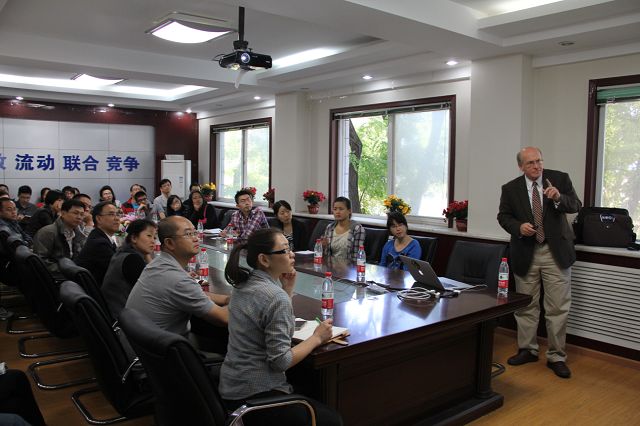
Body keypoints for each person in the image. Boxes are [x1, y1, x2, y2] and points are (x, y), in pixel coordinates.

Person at [219, 228, 341, 426]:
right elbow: (280, 361)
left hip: (232, 387)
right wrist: (317, 338)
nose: (292, 254)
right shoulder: (275, 298)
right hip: (256, 395)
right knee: (332, 420)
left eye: (290, 248)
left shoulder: (243, 284)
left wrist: (287, 290)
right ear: (264, 260)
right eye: (284, 250)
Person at [497, 146, 581, 379]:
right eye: (531, 163)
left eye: (539, 161)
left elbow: (576, 205)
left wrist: (558, 198)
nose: (537, 166)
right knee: (526, 305)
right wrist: (518, 227)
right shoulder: (510, 188)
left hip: (556, 253)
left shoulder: (560, 179)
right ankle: (527, 349)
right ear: (521, 167)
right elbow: (503, 216)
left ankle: (557, 356)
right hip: (526, 252)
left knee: (558, 307)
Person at [125, 216, 229, 338]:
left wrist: (226, 299)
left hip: (143, 342)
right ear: (169, 243)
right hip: (166, 346)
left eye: (195, 232)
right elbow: (224, 318)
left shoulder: (158, 263)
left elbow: (194, 293)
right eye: (188, 234)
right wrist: (240, 298)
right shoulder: (177, 280)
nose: (196, 238)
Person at [102, 219, 156, 319]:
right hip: (124, 318)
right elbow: (154, 288)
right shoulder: (132, 260)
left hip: (114, 311)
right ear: (134, 238)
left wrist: (147, 254)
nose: (153, 241)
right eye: (149, 236)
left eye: (154, 237)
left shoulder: (123, 253)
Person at [32, 198, 87, 275]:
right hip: (56, 276)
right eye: (75, 213)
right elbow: (41, 261)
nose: (79, 217)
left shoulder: (78, 234)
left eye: (82, 214)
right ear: (63, 213)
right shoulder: (48, 232)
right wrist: (69, 271)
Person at [76, 202, 122, 286]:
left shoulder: (98, 235)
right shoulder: (99, 244)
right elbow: (119, 270)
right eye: (111, 214)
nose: (117, 218)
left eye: (118, 214)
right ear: (99, 219)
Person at [322, 197, 365, 263]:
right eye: (335, 209)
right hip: (331, 265)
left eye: (341, 209)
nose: (337, 212)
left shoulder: (357, 229)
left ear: (349, 211)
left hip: (349, 266)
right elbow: (325, 254)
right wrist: (323, 246)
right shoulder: (330, 227)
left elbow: (357, 256)